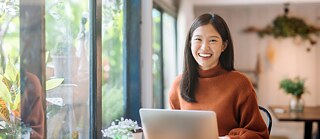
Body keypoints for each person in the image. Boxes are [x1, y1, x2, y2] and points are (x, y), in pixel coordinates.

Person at [169, 13, 269, 139]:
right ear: (190, 43)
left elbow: (260, 136)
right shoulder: (178, 84)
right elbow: (172, 130)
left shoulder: (240, 83)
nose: (204, 47)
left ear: (224, 46)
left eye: (212, 40)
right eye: (198, 39)